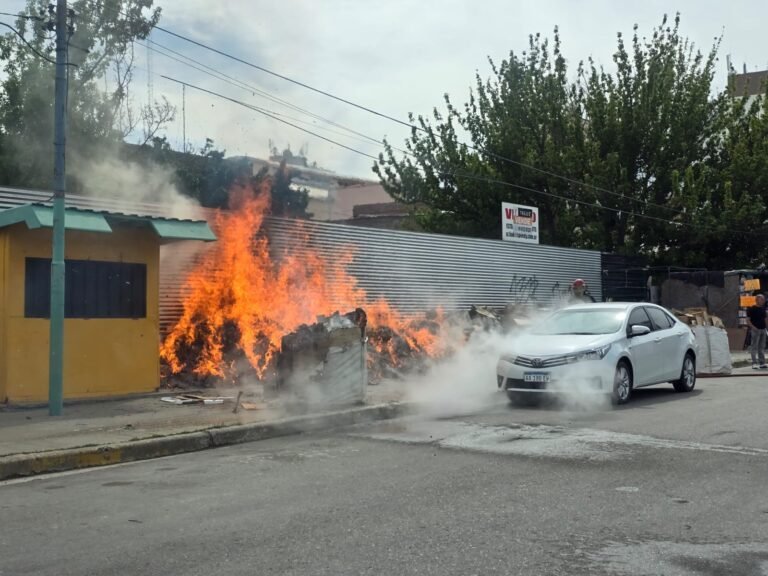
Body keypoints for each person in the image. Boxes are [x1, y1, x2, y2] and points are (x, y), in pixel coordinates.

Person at [747, 293, 768, 369]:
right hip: (756, 330)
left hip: (763, 329)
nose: (763, 301)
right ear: (757, 300)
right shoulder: (751, 309)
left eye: (763, 299)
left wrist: (766, 327)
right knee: (754, 346)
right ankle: (754, 363)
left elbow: (765, 319)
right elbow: (748, 320)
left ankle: (762, 362)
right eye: (761, 299)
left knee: (761, 347)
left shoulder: (763, 309)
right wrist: (753, 327)